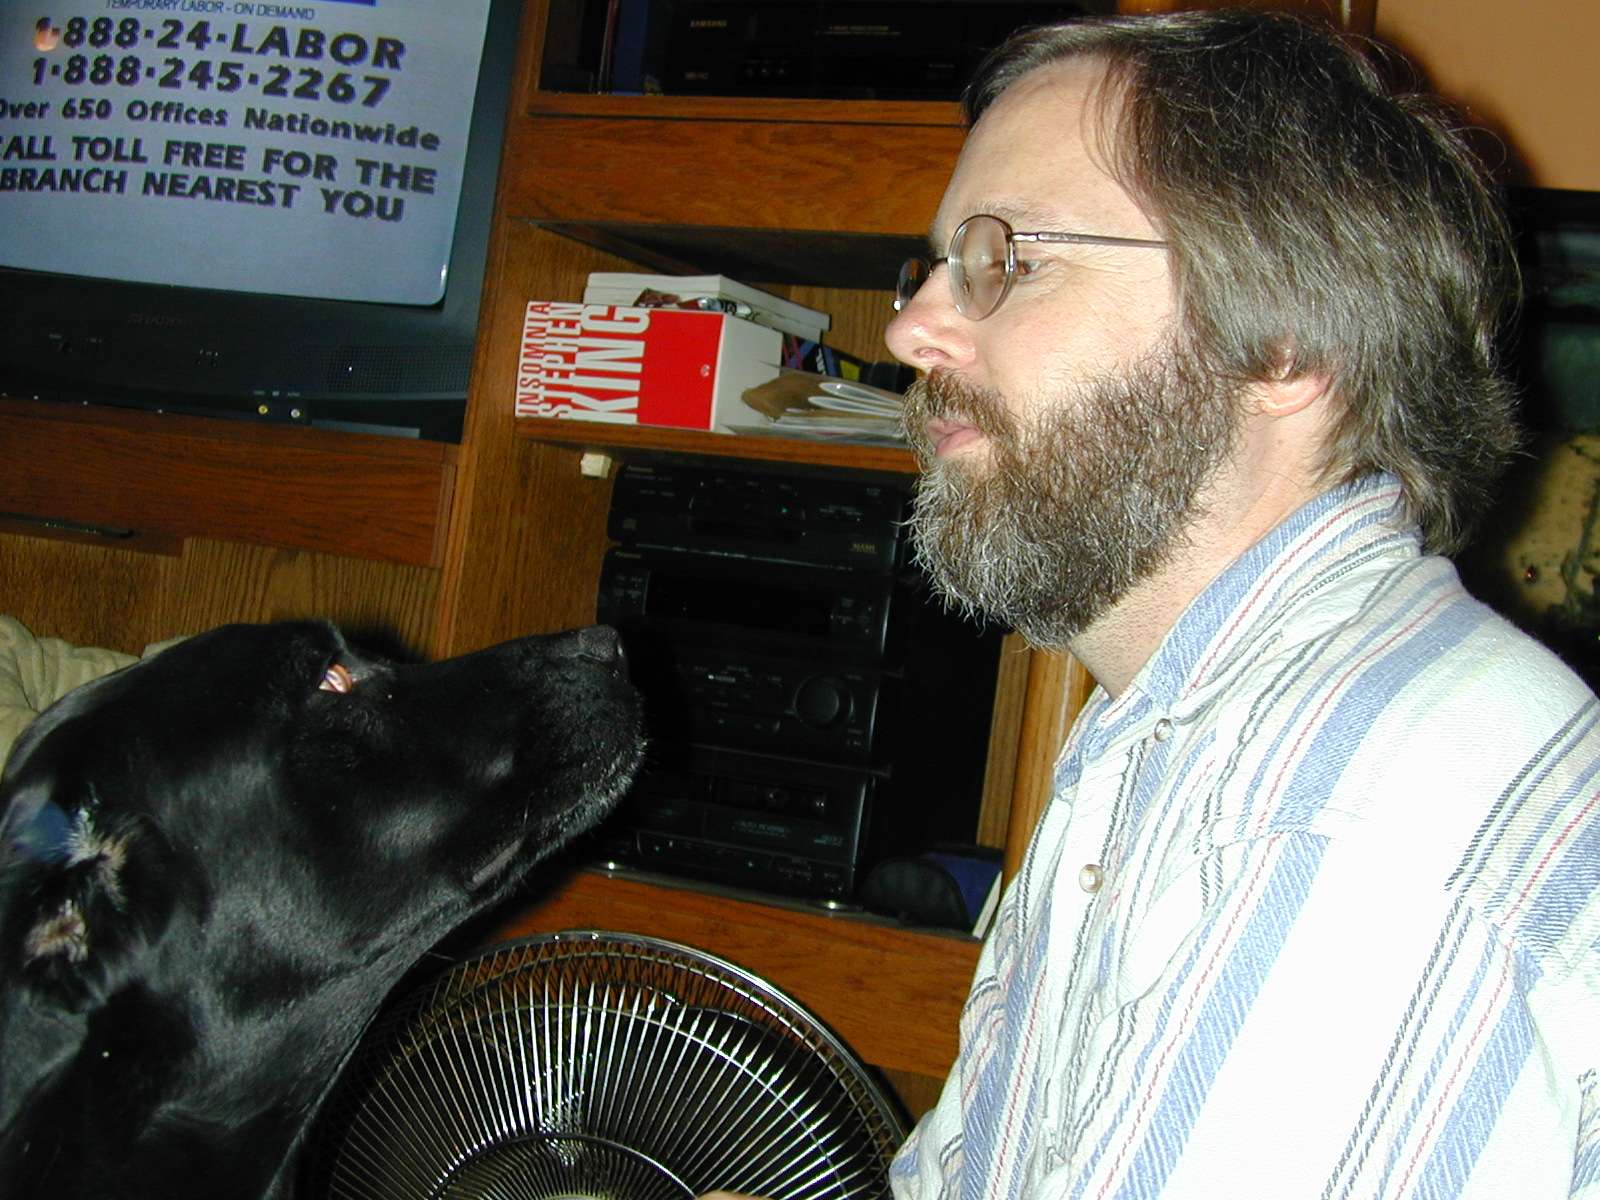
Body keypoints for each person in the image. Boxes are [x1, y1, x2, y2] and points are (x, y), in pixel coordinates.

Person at [710, 7, 1600, 1200]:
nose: (910, 327)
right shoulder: (1165, 730)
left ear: (1279, 343)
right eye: (937, 267)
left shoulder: (1339, 816)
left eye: (1004, 258)